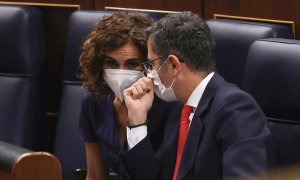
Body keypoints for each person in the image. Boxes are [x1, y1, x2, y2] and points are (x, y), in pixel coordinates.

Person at [122, 11, 276, 180]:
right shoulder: (179, 109)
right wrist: (137, 119)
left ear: (173, 65)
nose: (149, 74)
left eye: (152, 65)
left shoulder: (236, 110)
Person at [78, 12, 179, 180]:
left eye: (132, 64)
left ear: (150, 66)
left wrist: (136, 118)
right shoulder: (94, 100)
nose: (121, 74)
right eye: (111, 63)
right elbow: (95, 175)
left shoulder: (171, 105)